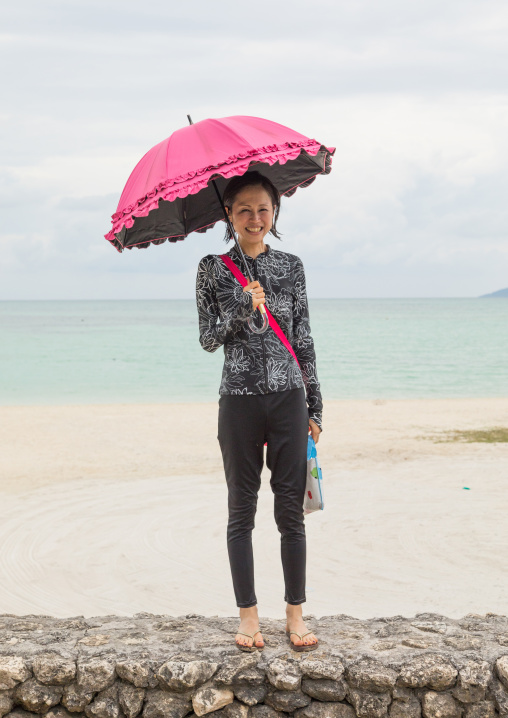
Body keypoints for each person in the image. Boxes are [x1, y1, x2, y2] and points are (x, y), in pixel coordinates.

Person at [195, 171, 322, 652]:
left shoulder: (291, 266)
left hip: (289, 397)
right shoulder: (212, 268)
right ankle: (248, 617)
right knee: (240, 511)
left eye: (263, 209)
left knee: (292, 512)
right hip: (240, 400)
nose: (254, 218)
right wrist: (242, 309)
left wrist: (316, 405)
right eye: (244, 209)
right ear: (229, 214)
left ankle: (295, 614)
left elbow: (303, 338)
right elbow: (208, 339)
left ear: (275, 213)